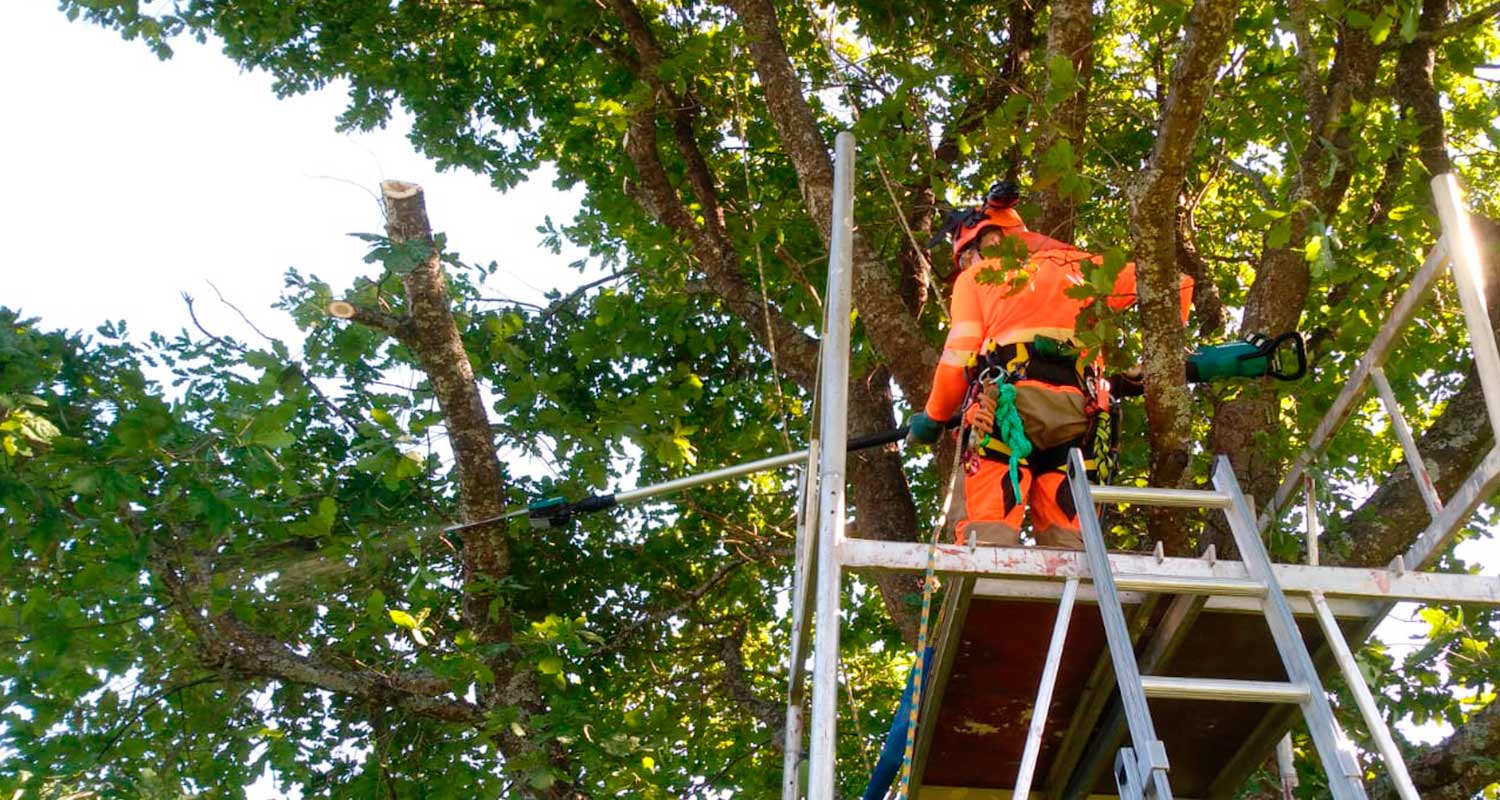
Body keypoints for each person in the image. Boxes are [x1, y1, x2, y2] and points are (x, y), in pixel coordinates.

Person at [907, 183, 1192, 548]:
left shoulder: (976, 280)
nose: (967, 265)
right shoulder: (1080, 268)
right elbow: (1177, 284)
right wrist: (1155, 365)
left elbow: (957, 358)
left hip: (1008, 404)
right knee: (1070, 540)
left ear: (990, 240)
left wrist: (932, 417)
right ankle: (1070, 598)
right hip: (1080, 414)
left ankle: (986, 581)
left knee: (987, 532)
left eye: (966, 255)